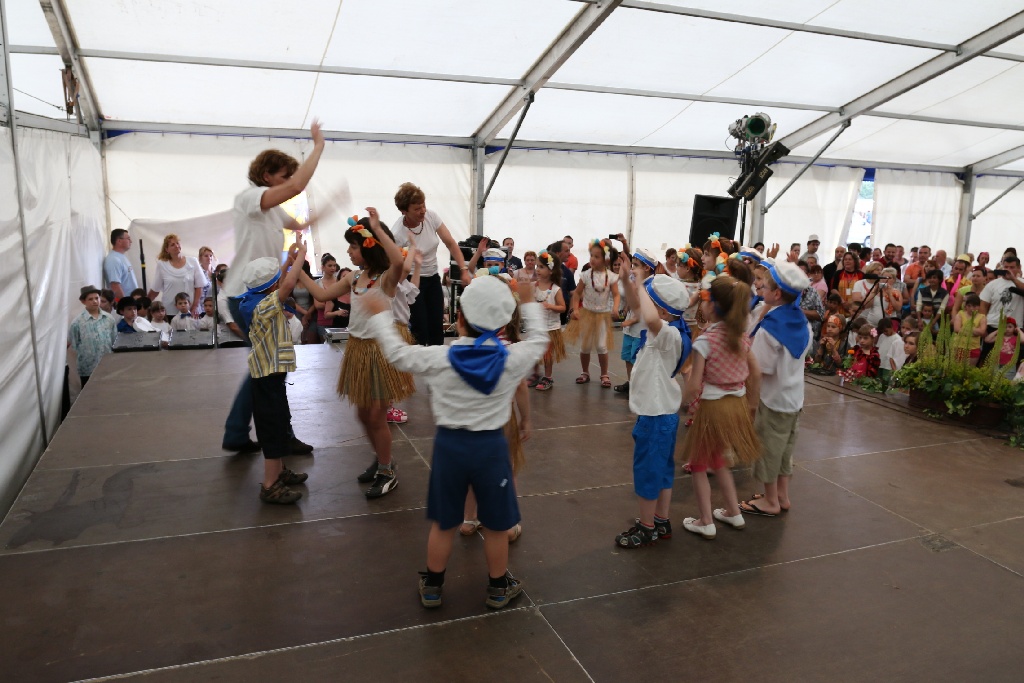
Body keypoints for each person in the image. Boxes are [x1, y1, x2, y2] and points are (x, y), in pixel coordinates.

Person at [360, 274, 547, 610]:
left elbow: (398, 354)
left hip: (449, 449)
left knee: (445, 521)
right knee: (496, 525)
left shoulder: (440, 358)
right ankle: (497, 587)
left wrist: (380, 316)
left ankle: (433, 586)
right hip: (492, 450)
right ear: (503, 323)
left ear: (458, 318)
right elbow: (540, 340)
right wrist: (530, 301)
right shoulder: (512, 359)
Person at [221, 123, 325, 454]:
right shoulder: (250, 198)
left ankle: (242, 433)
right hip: (247, 296)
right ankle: (277, 437)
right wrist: (318, 147)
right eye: (283, 176)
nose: (288, 181)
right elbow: (297, 186)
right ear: (266, 176)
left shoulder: (271, 209)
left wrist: (329, 205)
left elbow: (300, 223)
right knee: (270, 368)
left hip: (258, 295)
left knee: (266, 367)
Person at [300, 209, 415, 498]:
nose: (349, 252)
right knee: (363, 415)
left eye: (353, 246)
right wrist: (297, 266)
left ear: (369, 246)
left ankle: (387, 471)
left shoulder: (386, 279)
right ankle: (382, 458)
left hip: (381, 352)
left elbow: (398, 261)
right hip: (359, 349)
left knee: (377, 416)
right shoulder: (353, 278)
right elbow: (321, 295)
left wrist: (376, 229)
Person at [613, 263, 691, 548]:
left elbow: (649, 316)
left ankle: (646, 527)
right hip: (661, 413)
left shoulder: (668, 334)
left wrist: (642, 284)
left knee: (648, 472)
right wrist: (628, 282)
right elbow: (640, 308)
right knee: (663, 471)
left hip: (656, 416)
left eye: (652, 303)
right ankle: (661, 520)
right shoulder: (666, 330)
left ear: (664, 312)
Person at [679, 275, 761, 539]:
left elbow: (694, 384)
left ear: (713, 306)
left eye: (704, 299)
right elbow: (754, 371)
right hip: (736, 404)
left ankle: (705, 520)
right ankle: (733, 512)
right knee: (719, 460)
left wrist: (681, 403)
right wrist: (752, 403)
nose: (702, 304)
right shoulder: (741, 336)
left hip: (713, 407)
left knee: (698, 465)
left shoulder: (705, 341)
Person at [237, 246, 309, 504]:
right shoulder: (265, 306)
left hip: (270, 375)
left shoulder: (252, 299)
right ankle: (270, 485)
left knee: (279, 422)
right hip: (267, 377)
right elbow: (287, 285)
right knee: (272, 428)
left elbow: (277, 282)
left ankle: (279, 472)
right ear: (272, 286)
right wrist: (301, 256)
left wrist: (287, 262)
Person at [743, 261, 812, 517]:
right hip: (794, 399)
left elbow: (760, 368)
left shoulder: (771, 328)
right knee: (785, 450)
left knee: (767, 450)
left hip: (772, 400)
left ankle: (770, 501)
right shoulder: (802, 322)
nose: (760, 286)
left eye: (765, 284)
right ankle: (782, 496)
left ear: (777, 293)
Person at [390, 182, 471, 346]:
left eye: (423, 205)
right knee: (420, 328)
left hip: (433, 277)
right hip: (412, 281)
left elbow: (450, 243)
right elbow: (397, 267)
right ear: (404, 211)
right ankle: (419, 359)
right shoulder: (397, 233)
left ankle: (438, 358)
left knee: (436, 326)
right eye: (417, 208)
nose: (423, 211)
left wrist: (463, 269)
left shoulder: (431, 217)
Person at [565, 240, 620, 388]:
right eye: (591, 256)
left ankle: (604, 374)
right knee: (585, 346)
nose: (592, 259)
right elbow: (577, 294)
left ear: (605, 259)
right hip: (587, 315)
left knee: (601, 346)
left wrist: (615, 308)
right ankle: (585, 372)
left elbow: (616, 294)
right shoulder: (585, 275)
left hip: (602, 316)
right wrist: (576, 309)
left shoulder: (611, 277)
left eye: (597, 257)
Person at [615, 248, 658, 395]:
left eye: (636, 265)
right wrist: (626, 309)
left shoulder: (651, 286)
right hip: (631, 329)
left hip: (641, 330)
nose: (632, 269)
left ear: (647, 268)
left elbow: (643, 308)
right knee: (628, 357)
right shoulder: (637, 282)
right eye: (632, 265)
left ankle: (640, 388)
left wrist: (632, 320)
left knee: (637, 360)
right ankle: (632, 383)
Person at [529, 249, 566, 392]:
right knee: (534, 353)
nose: (537, 269)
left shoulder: (555, 289)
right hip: (536, 327)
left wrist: (551, 306)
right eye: (537, 266)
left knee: (547, 355)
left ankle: (548, 377)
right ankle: (535, 374)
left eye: (541, 267)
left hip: (550, 328)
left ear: (551, 270)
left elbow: (562, 307)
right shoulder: (533, 286)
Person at [147, 234, 207, 317]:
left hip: (191, 310)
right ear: (167, 249)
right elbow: (155, 289)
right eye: (172, 245)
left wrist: (195, 306)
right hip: (170, 311)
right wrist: (145, 303)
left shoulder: (193, 261)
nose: (176, 246)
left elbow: (199, 287)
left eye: (177, 243)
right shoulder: (162, 264)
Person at [69, 286, 116, 387]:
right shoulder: (77, 323)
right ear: (83, 301)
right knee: (89, 393)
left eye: (97, 298)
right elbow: (75, 344)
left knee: (108, 391)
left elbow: (113, 339)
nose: (94, 301)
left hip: (107, 366)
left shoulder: (109, 319)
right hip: (88, 368)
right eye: (90, 299)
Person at [103, 229, 138, 301]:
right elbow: (115, 285)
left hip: (131, 302)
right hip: (125, 303)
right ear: (119, 241)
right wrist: (125, 303)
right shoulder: (113, 260)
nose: (131, 241)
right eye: (128, 239)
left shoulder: (121, 257)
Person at [953, 293, 986, 366]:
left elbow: (982, 332)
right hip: (959, 346)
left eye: (974, 306)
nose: (971, 308)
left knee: (970, 370)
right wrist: (975, 331)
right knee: (956, 368)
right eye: (969, 306)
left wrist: (965, 328)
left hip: (974, 348)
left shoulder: (982, 317)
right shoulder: (960, 314)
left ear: (979, 306)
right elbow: (957, 329)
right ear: (965, 306)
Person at [550, 239, 577, 325]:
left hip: (562, 313)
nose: (569, 254)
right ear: (558, 253)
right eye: (566, 251)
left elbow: (573, 293)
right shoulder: (546, 269)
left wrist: (571, 311)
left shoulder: (567, 272)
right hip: (547, 311)